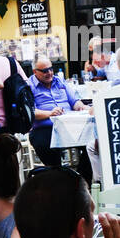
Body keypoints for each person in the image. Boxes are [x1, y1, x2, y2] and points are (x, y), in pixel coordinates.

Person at [28, 53, 93, 183]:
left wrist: (83, 108)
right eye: (45, 71)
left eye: (51, 69)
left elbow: (74, 102)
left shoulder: (60, 81)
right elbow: (30, 112)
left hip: (69, 125)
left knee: (92, 144)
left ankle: (80, 181)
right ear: (35, 71)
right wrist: (49, 113)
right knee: (46, 150)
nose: (50, 73)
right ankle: (60, 182)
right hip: (46, 127)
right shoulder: (29, 86)